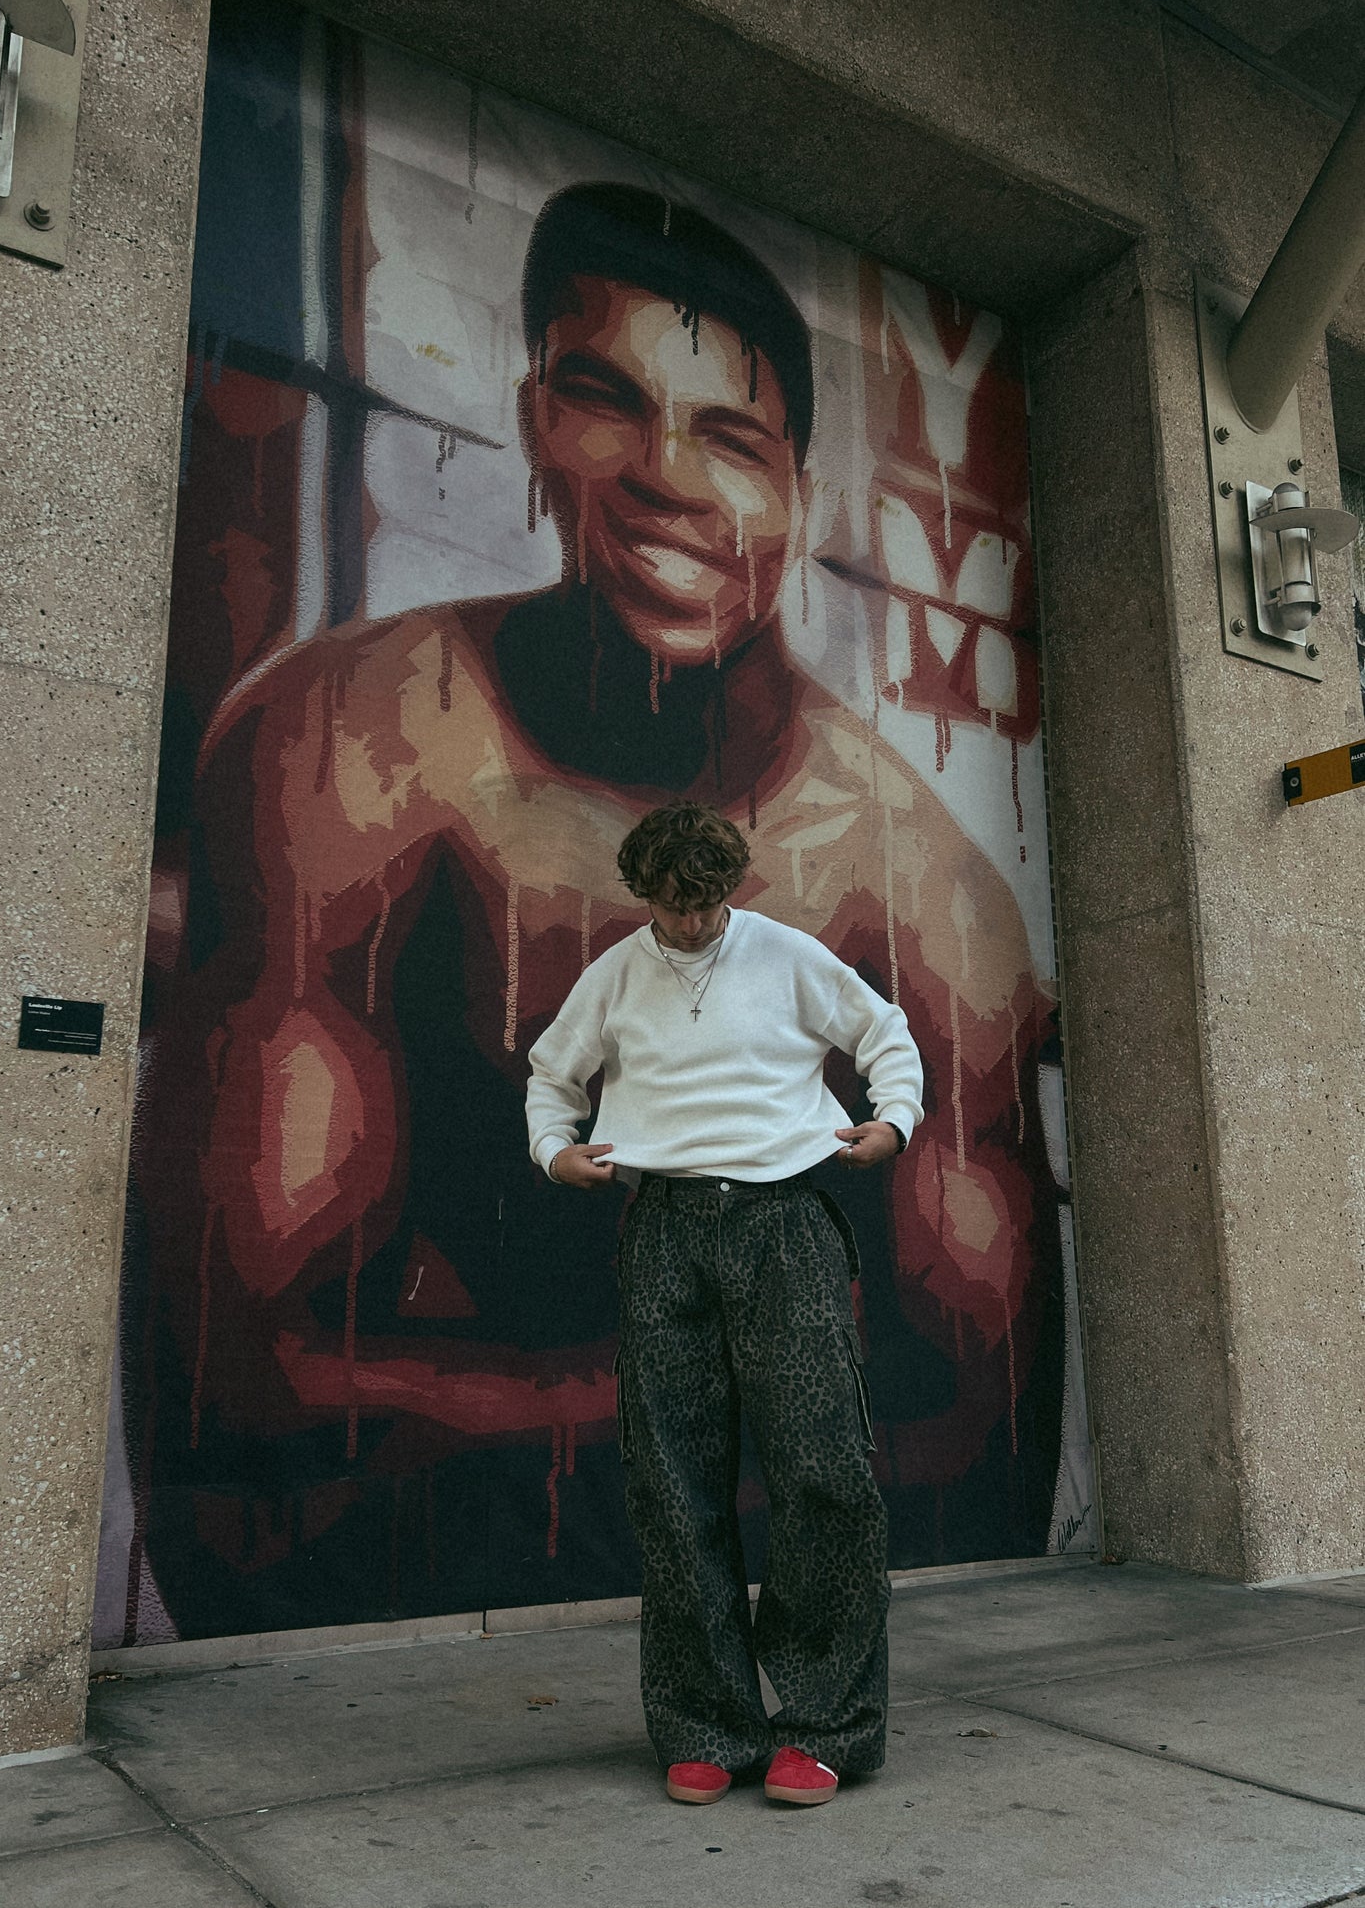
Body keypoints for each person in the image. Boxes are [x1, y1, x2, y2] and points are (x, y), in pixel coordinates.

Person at [139, 181, 1048, 1632]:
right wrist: (712, 1408)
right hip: (426, 1613)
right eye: (603, 397)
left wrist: (536, 1421)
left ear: (803, 495)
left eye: (733, 437)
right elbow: (239, 1416)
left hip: (636, 1534)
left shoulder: (923, 896)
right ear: (533, 422)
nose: (665, 475)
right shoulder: (353, 758)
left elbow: (976, 1449)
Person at [526, 800, 924, 1805]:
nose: (692, 923)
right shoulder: (615, 971)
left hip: (782, 1219)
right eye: (672, 905)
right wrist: (553, 1150)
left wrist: (893, 1118)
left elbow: (883, 1030)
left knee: (821, 1469)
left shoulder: (785, 954)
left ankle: (824, 1727)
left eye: (705, 903)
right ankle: (706, 1724)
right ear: (645, 891)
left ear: (729, 888)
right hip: (662, 1226)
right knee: (672, 1478)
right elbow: (549, 1074)